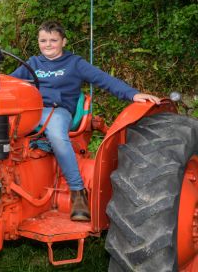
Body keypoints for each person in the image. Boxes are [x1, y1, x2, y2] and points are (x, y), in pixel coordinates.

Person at [10, 21, 160, 221]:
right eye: (43, 40)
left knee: (56, 135)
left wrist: (133, 95)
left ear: (63, 41)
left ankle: (77, 192)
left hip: (59, 111)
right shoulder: (32, 64)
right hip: (31, 111)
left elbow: (104, 79)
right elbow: (7, 83)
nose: (47, 44)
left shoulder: (74, 63)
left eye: (53, 40)